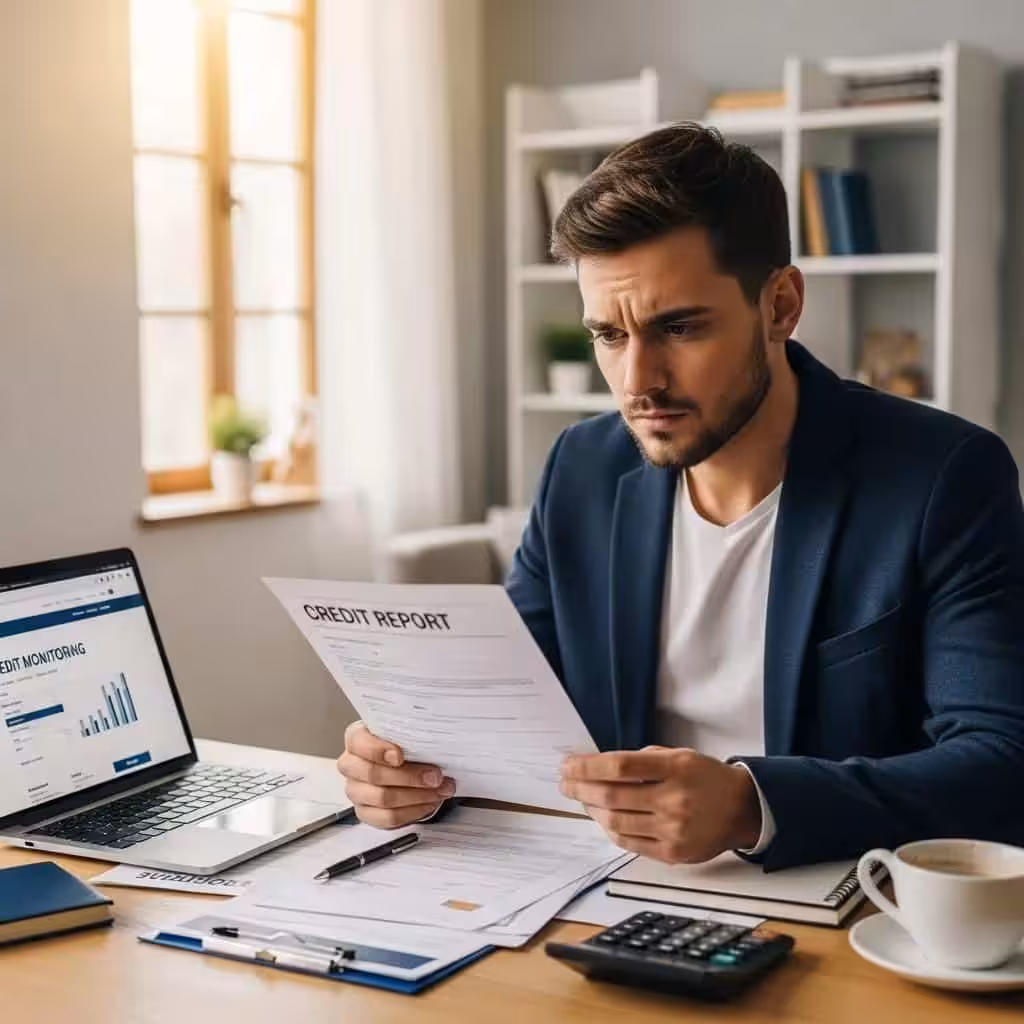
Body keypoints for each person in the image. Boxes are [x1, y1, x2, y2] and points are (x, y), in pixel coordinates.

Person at [336, 123, 1024, 870]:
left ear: (781, 307)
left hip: (847, 899)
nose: (638, 382)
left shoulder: (943, 476)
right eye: (608, 335)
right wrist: (411, 767)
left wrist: (750, 804)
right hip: (605, 891)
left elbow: (1001, 762)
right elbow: (508, 705)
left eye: (680, 327)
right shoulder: (582, 467)